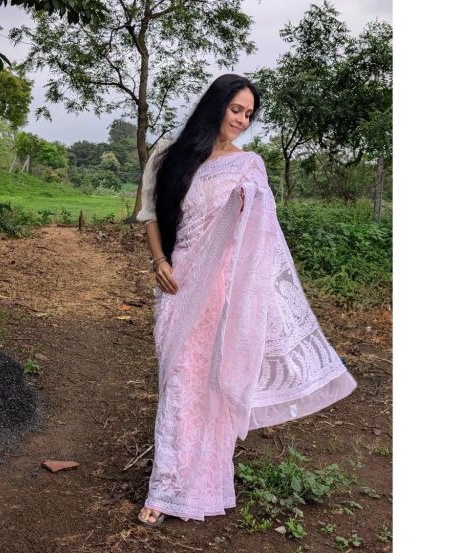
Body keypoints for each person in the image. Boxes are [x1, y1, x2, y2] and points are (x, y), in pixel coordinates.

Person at [135, 74, 357, 526]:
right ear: (215, 105)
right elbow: (152, 213)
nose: (242, 120)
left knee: (211, 386)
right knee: (177, 383)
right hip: (178, 286)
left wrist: (250, 199)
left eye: (249, 114)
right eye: (236, 109)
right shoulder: (168, 155)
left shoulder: (248, 166)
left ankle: (182, 489)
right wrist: (159, 260)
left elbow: (262, 234)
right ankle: (170, 480)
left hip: (222, 292)